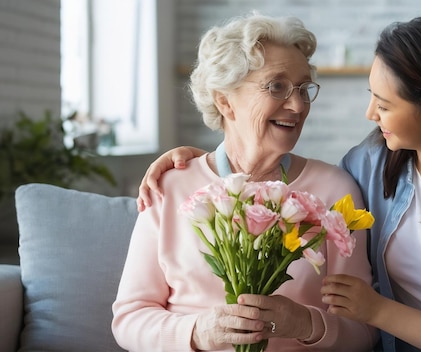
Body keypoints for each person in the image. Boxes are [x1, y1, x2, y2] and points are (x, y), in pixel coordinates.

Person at [136, 14, 421, 352]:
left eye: (383, 102)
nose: (369, 114)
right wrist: (197, 165)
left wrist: (356, 313)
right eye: (277, 86)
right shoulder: (370, 164)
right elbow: (262, 169)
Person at [111, 12, 378, 352]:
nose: (297, 105)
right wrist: (197, 332)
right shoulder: (171, 185)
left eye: (304, 88)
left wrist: (306, 323)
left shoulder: (335, 190)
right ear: (224, 99)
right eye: (277, 86)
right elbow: (129, 318)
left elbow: (365, 331)